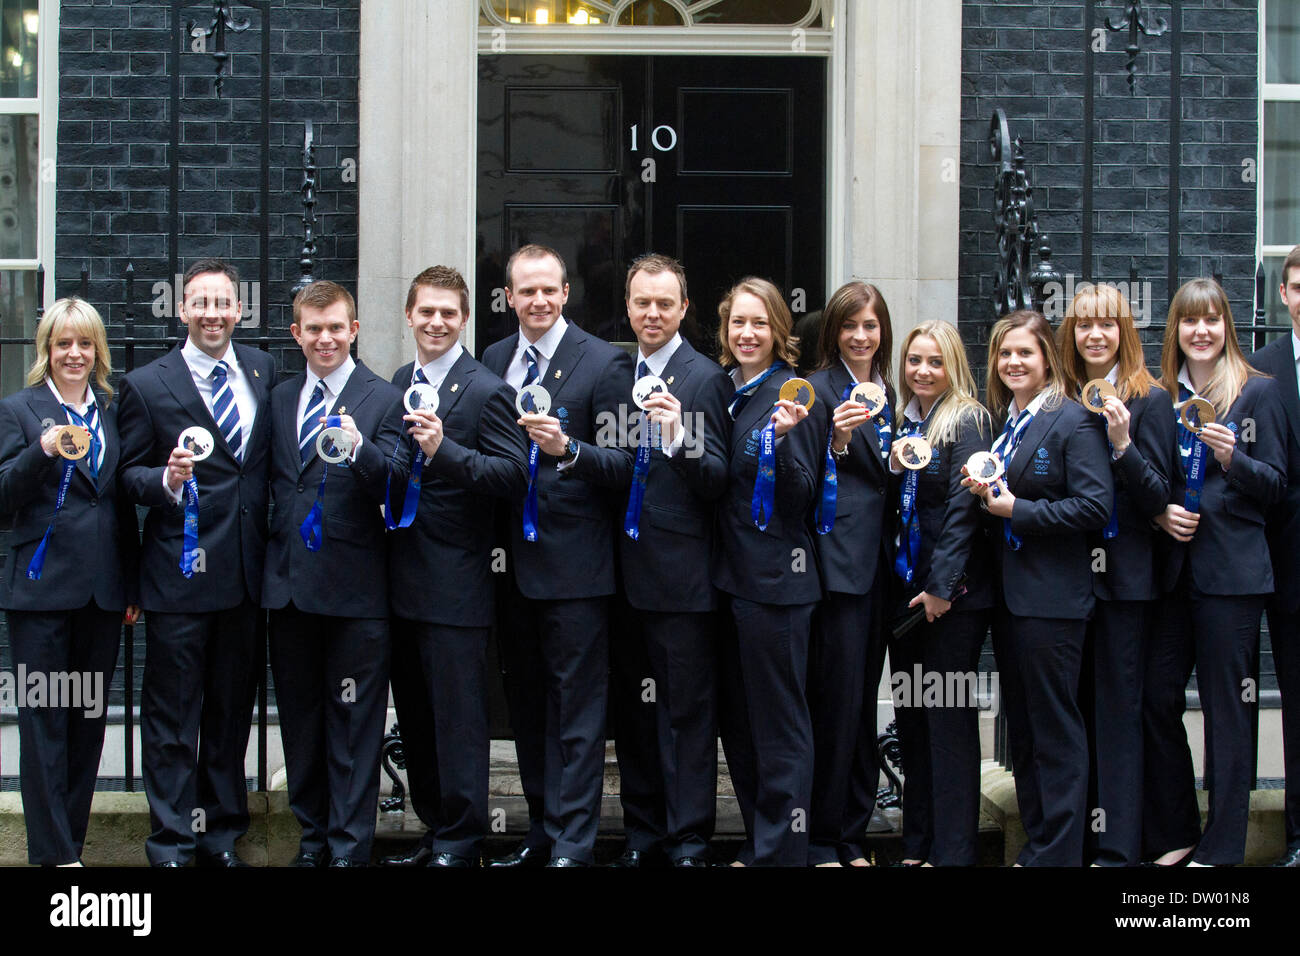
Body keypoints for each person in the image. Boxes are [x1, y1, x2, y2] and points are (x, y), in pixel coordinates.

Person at [480, 244, 634, 867]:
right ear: (509, 297)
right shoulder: (492, 359)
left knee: (576, 709)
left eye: (549, 290)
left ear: (565, 293)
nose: (538, 301)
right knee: (528, 705)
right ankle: (542, 831)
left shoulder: (604, 362)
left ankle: (575, 841)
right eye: (526, 291)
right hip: (508, 566)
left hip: (576, 571)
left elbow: (625, 466)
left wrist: (570, 449)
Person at [118, 259, 274, 867]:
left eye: (223, 303)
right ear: (181, 311)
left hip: (243, 576)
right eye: (200, 303)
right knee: (172, 715)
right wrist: (166, 479)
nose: (213, 313)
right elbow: (125, 476)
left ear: (239, 311)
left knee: (231, 713)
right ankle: (173, 839)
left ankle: (222, 833)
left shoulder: (261, 370)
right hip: (178, 576)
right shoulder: (147, 384)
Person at [379, 266, 527, 868]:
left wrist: (446, 452)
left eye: (448, 313)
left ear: (464, 319)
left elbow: (513, 476)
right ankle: (435, 827)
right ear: (409, 316)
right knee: (415, 716)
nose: (436, 322)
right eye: (425, 312)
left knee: (458, 717)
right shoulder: (398, 381)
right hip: (399, 580)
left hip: (458, 583)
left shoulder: (488, 389)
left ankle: (463, 840)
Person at [1144, 278, 1287, 867]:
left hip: (1232, 579)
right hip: (1174, 574)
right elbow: (1151, 479)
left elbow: (1278, 486)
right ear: (1175, 330)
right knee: (1155, 698)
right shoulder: (1159, 396)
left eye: (1212, 320)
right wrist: (1159, 515)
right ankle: (1180, 831)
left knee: (1230, 712)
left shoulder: (1259, 393)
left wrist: (1235, 458)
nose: (1201, 331)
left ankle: (1223, 847)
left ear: (1227, 326)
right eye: (1188, 321)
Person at [262, 280, 406, 867]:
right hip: (290, 589)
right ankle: (313, 839)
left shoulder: (383, 397)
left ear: (354, 330)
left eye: (336, 327)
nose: (325, 338)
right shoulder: (279, 398)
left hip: (357, 593)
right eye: (312, 329)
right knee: (301, 724)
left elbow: (399, 483)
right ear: (297, 334)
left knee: (353, 724)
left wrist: (358, 448)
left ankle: (350, 847)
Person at [964, 309, 1112, 867]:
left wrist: (1015, 509)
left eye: (1024, 352)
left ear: (1047, 358)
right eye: (1004, 354)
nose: (1012, 363)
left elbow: (1095, 506)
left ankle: (1060, 854)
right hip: (1010, 601)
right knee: (1022, 731)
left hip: (1052, 603)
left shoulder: (1072, 420)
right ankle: (1038, 844)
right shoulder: (1009, 423)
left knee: (1055, 730)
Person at [0, 298, 139, 867]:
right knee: (45, 729)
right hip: (41, 595)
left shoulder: (110, 410)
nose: (74, 354)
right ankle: (53, 860)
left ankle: (70, 851)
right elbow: (4, 496)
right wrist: (42, 449)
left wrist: (130, 584)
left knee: (86, 728)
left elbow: (122, 502)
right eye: (63, 344)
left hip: (101, 596)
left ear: (97, 351)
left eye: (85, 344)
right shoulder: (20, 410)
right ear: (47, 351)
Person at [608, 254, 731, 867]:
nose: (651, 314)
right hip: (619, 578)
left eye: (664, 303)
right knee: (633, 714)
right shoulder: (612, 372)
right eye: (641, 303)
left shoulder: (706, 378)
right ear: (628, 306)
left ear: (685, 308)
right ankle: (643, 834)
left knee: (685, 715)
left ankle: (687, 840)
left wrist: (681, 437)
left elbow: (718, 481)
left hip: (682, 582)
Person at [1056, 284, 1176, 867]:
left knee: (1119, 712)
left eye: (1106, 324)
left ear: (1124, 331)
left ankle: (1119, 846)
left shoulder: (1148, 398)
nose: (1094, 335)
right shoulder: (1063, 400)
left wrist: (1123, 443)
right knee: (1078, 710)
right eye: (1083, 325)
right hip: (1069, 579)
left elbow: (1157, 497)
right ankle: (1077, 836)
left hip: (1125, 581)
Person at [710, 276, 822, 866]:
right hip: (731, 582)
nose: (747, 333)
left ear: (779, 330)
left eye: (759, 323)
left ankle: (782, 852)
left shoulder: (792, 395)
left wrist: (784, 442)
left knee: (779, 726)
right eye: (738, 323)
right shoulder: (726, 388)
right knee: (744, 727)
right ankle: (761, 842)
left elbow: (802, 497)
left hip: (777, 585)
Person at [885, 320, 993, 866]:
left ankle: (952, 853)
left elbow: (962, 510)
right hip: (905, 599)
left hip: (951, 601)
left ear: (953, 366)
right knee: (913, 721)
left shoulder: (967, 420)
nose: (922, 371)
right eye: (914, 361)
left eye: (934, 361)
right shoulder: (905, 421)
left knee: (947, 722)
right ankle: (917, 844)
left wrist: (940, 588)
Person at [803, 280, 895, 866]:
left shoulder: (904, 390)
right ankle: (824, 837)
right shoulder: (816, 390)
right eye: (849, 326)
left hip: (895, 572)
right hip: (840, 575)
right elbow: (799, 483)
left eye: (871, 325)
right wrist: (836, 443)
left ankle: (853, 833)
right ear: (833, 331)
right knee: (836, 707)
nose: (860, 336)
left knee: (865, 706)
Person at [1250, 244, 1300, 867]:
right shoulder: (1261, 371)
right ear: (1284, 294)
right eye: (1298, 284)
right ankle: (1298, 837)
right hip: (1288, 564)